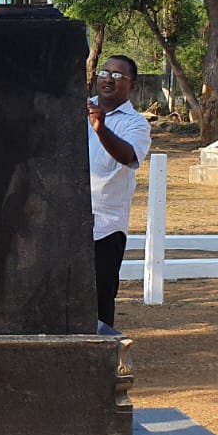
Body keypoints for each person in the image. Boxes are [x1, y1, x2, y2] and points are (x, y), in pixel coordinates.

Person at [88, 54, 152, 329]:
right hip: (64, 223)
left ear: (132, 85)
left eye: (117, 76)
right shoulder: (76, 109)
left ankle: (100, 351)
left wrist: (101, 129)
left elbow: (128, 156)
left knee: (99, 297)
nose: (108, 80)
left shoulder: (136, 124)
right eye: (104, 73)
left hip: (105, 227)